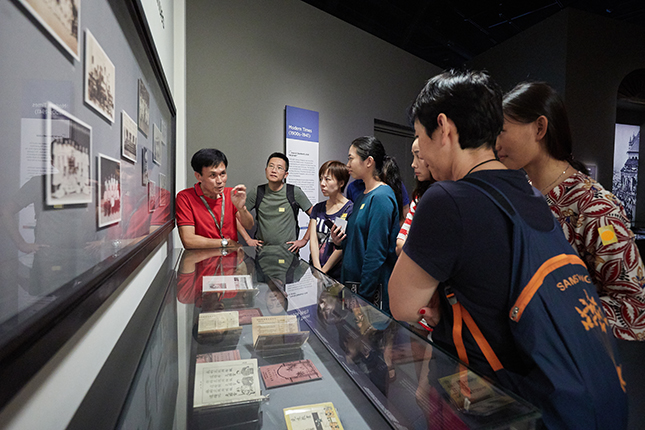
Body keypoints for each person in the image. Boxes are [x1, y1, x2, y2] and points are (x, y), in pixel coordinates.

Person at [389, 70, 627, 429]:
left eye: (420, 137)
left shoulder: (447, 199)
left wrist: (435, 288)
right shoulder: (528, 191)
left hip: (480, 397)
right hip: (538, 391)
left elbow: (403, 305)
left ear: (444, 127)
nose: (419, 150)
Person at [495, 81, 645, 342]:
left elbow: (633, 309)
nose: (495, 142)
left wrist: (551, 315)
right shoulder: (520, 193)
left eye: (502, 130)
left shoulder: (596, 208)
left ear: (539, 128)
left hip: (567, 359)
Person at [331, 136, 399, 314]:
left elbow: (376, 253)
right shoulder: (362, 196)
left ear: (368, 161)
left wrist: (364, 296)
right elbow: (357, 240)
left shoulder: (382, 197)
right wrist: (339, 241)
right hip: (353, 285)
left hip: (368, 292)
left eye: (351, 158)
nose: (348, 164)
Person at [176, 148, 254, 249]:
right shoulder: (185, 197)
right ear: (199, 176)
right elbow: (189, 241)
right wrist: (226, 243)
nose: (220, 181)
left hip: (231, 259)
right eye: (213, 175)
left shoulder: (231, 193)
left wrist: (241, 208)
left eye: (223, 174)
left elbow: (249, 225)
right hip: (203, 259)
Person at [244, 152, 313, 253]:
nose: (274, 170)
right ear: (266, 170)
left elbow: (315, 215)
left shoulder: (294, 192)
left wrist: (304, 240)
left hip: (288, 254)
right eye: (271, 166)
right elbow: (236, 214)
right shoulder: (257, 192)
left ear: (286, 174)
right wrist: (248, 239)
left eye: (279, 167)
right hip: (263, 253)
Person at [308, 161, 353, 280]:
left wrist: (324, 271)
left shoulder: (349, 209)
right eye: (321, 179)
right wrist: (317, 269)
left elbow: (342, 246)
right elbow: (313, 239)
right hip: (316, 270)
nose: (322, 184)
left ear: (341, 183)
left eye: (327, 179)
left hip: (337, 273)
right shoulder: (318, 208)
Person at [396, 138, 434, 255]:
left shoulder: (445, 196)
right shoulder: (418, 197)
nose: (413, 164)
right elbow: (399, 245)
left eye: (419, 157)